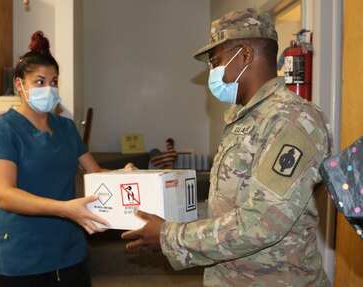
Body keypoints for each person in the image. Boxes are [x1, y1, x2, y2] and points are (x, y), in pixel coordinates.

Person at [122, 8, 333, 286]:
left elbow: (261, 223)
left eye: (215, 59)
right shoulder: (245, 117)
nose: (212, 70)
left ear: (245, 55)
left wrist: (168, 236)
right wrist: (157, 201)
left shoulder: (292, 119)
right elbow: (226, 208)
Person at [0, 31, 110, 287]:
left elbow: (93, 173)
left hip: (70, 253)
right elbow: (5, 195)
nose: (49, 89)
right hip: (22, 258)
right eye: (39, 82)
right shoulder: (1, 130)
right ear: (19, 84)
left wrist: (126, 176)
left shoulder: (66, 128)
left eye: (54, 82)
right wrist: (64, 209)